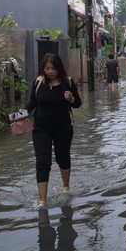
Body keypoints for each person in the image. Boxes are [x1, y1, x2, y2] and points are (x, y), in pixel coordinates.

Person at [25, 53, 82, 209]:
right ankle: (42, 200)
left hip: (63, 128)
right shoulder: (38, 82)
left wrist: (71, 99)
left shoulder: (68, 83)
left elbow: (78, 103)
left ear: (59, 68)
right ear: (43, 68)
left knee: (63, 158)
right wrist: (22, 113)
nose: (50, 72)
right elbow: (32, 102)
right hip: (41, 128)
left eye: (53, 69)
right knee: (42, 162)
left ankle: (66, 186)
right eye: (47, 68)